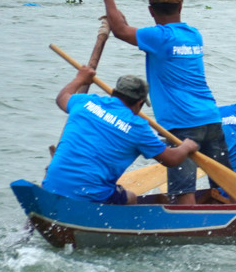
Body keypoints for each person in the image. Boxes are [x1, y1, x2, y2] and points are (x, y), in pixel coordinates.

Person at [95, 0, 227, 205]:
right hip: (211, 118)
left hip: (182, 124)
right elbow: (124, 28)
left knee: (183, 190)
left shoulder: (158, 37)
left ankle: (189, 231)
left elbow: (120, 30)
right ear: (181, 7)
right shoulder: (193, 34)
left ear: (150, 11)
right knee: (225, 184)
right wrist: (114, 13)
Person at [42, 69, 197, 205]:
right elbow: (171, 159)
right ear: (140, 103)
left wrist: (80, 78)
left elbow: (62, 97)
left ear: (114, 93)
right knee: (130, 198)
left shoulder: (86, 102)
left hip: (51, 186)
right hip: (91, 196)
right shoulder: (138, 127)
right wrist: (187, 146)